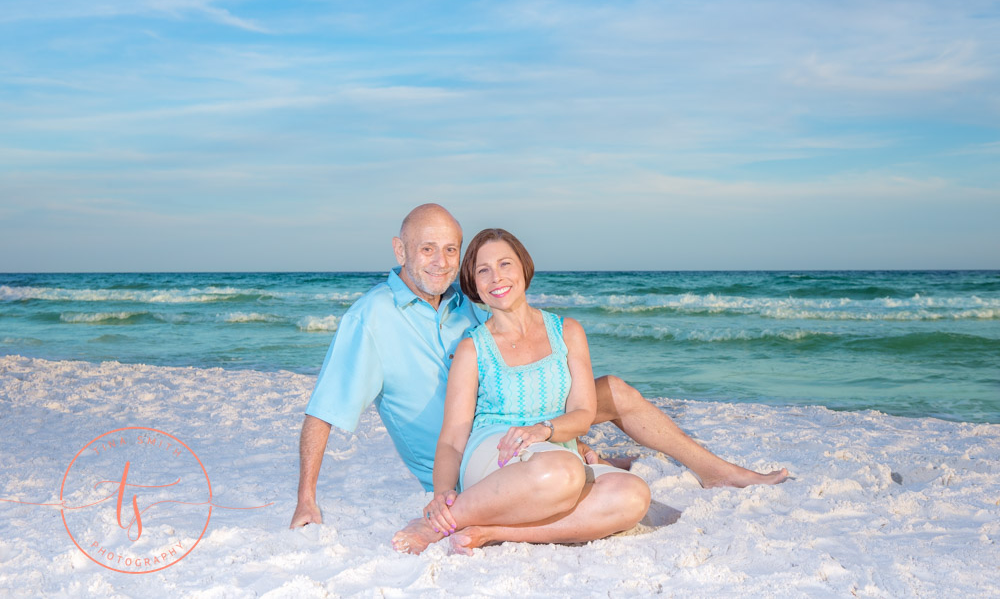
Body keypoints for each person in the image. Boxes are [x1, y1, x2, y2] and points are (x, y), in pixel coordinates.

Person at [289, 204, 785, 532]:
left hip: (518, 427)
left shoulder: (463, 300)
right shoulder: (370, 319)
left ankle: (715, 472)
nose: (441, 262)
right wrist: (306, 500)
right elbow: (324, 410)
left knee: (612, 391)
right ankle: (566, 472)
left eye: (450, 250)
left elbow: (519, 352)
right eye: (426, 249)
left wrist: (562, 426)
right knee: (579, 468)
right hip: (466, 458)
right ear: (400, 251)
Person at [392, 229, 650, 554]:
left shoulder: (568, 332)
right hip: (496, 455)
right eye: (482, 270)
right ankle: (439, 523)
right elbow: (452, 438)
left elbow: (583, 415)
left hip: (554, 448)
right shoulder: (473, 348)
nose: (496, 277)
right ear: (474, 284)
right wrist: (442, 494)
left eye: (505, 264)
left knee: (633, 495)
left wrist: (544, 430)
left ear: (524, 267)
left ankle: (490, 532)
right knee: (564, 472)